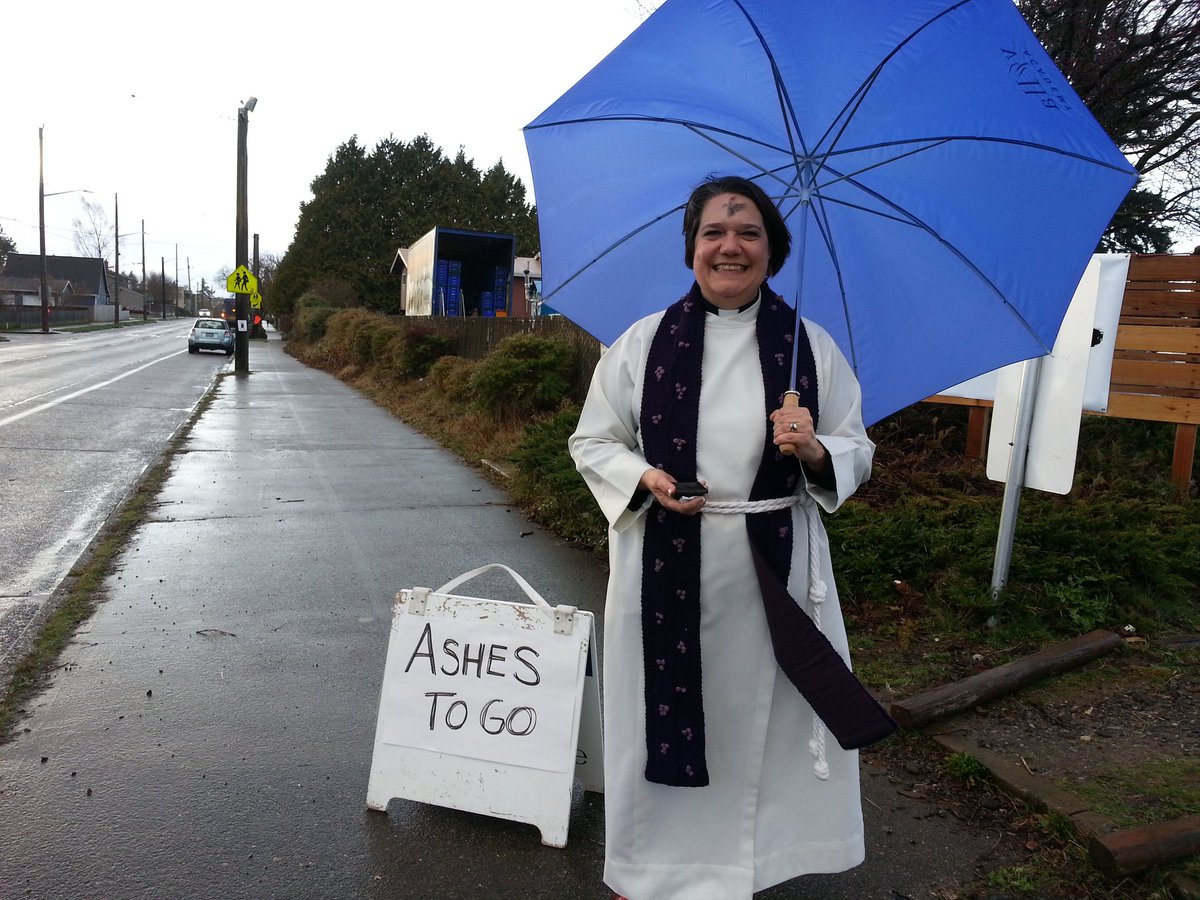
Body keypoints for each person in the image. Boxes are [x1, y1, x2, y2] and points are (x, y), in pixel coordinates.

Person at [569, 175, 892, 900]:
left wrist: (813, 450)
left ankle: (757, 861)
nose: (730, 247)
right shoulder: (643, 343)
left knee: (764, 729)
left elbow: (857, 450)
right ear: (692, 249)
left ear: (772, 250)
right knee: (662, 712)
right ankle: (652, 869)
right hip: (666, 563)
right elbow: (593, 442)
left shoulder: (809, 347)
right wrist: (647, 478)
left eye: (748, 233)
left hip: (773, 570)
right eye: (714, 232)